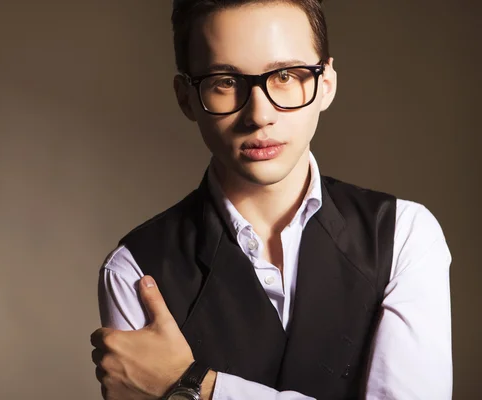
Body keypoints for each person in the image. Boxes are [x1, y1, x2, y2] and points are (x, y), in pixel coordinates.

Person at [90, 0, 453, 399]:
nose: (260, 114)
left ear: (326, 84)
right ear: (186, 98)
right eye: (225, 82)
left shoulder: (404, 235)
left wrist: (196, 385)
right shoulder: (135, 269)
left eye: (285, 75)